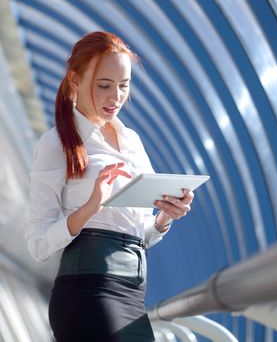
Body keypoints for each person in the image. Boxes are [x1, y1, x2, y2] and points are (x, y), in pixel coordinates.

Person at [26, 31, 194, 342]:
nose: (115, 97)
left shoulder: (132, 141)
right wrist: (91, 207)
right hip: (88, 293)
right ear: (75, 81)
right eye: (104, 85)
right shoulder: (56, 144)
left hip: (131, 294)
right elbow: (38, 243)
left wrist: (165, 217)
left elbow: (139, 233)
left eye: (123, 86)